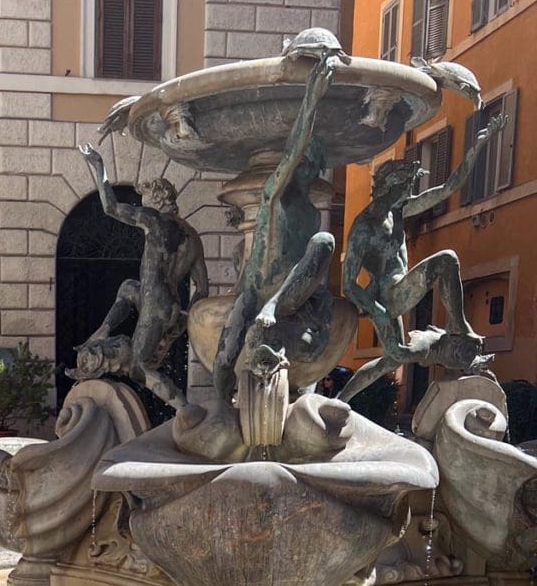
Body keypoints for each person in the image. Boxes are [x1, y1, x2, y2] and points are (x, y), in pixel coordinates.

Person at [339, 116, 504, 400]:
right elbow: (348, 284)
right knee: (446, 259)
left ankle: (339, 400)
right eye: (406, 187)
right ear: (391, 186)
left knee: (394, 359)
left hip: (399, 290)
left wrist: (478, 147)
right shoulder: (364, 227)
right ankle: (457, 324)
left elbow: (446, 190)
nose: (410, 193)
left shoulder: (398, 210)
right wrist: (377, 310)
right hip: (387, 295)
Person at [213, 55, 338, 400]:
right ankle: (220, 415)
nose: (315, 170)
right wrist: (312, 99)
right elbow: (294, 147)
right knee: (223, 361)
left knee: (324, 241)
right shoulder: (274, 195)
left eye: (318, 165)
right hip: (257, 291)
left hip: (290, 293)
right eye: (310, 162)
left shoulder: (312, 214)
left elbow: (306, 264)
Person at [71, 143, 208, 409]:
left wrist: (99, 167)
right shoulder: (193, 238)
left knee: (138, 367)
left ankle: (185, 410)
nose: (142, 204)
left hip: (154, 304)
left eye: (145, 199)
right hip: (170, 306)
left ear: (157, 199)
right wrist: (184, 319)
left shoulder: (153, 220)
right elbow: (202, 288)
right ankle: (103, 330)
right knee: (128, 287)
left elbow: (110, 207)